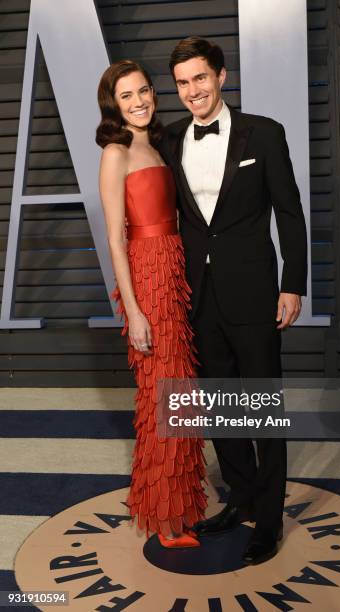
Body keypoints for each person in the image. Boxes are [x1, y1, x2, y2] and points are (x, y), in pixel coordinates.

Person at [162, 37, 308, 565]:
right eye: (182, 82)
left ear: (221, 76)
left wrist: (293, 283)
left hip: (254, 294)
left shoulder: (264, 133)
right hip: (198, 299)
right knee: (222, 410)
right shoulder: (170, 137)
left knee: (263, 411)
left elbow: (290, 212)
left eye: (201, 78)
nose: (192, 90)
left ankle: (268, 520)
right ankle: (241, 497)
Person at [96, 59, 207, 548]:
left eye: (143, 91)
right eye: (127, 96)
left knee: (177, 394)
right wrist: (135, 311)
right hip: (147, 276)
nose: (139, 101)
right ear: (113, 105)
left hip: (173, 269)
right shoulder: (115, 152)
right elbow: (115, 240)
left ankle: (172, 508)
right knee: (162, 394)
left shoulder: (155, 144)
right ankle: (164, 521)